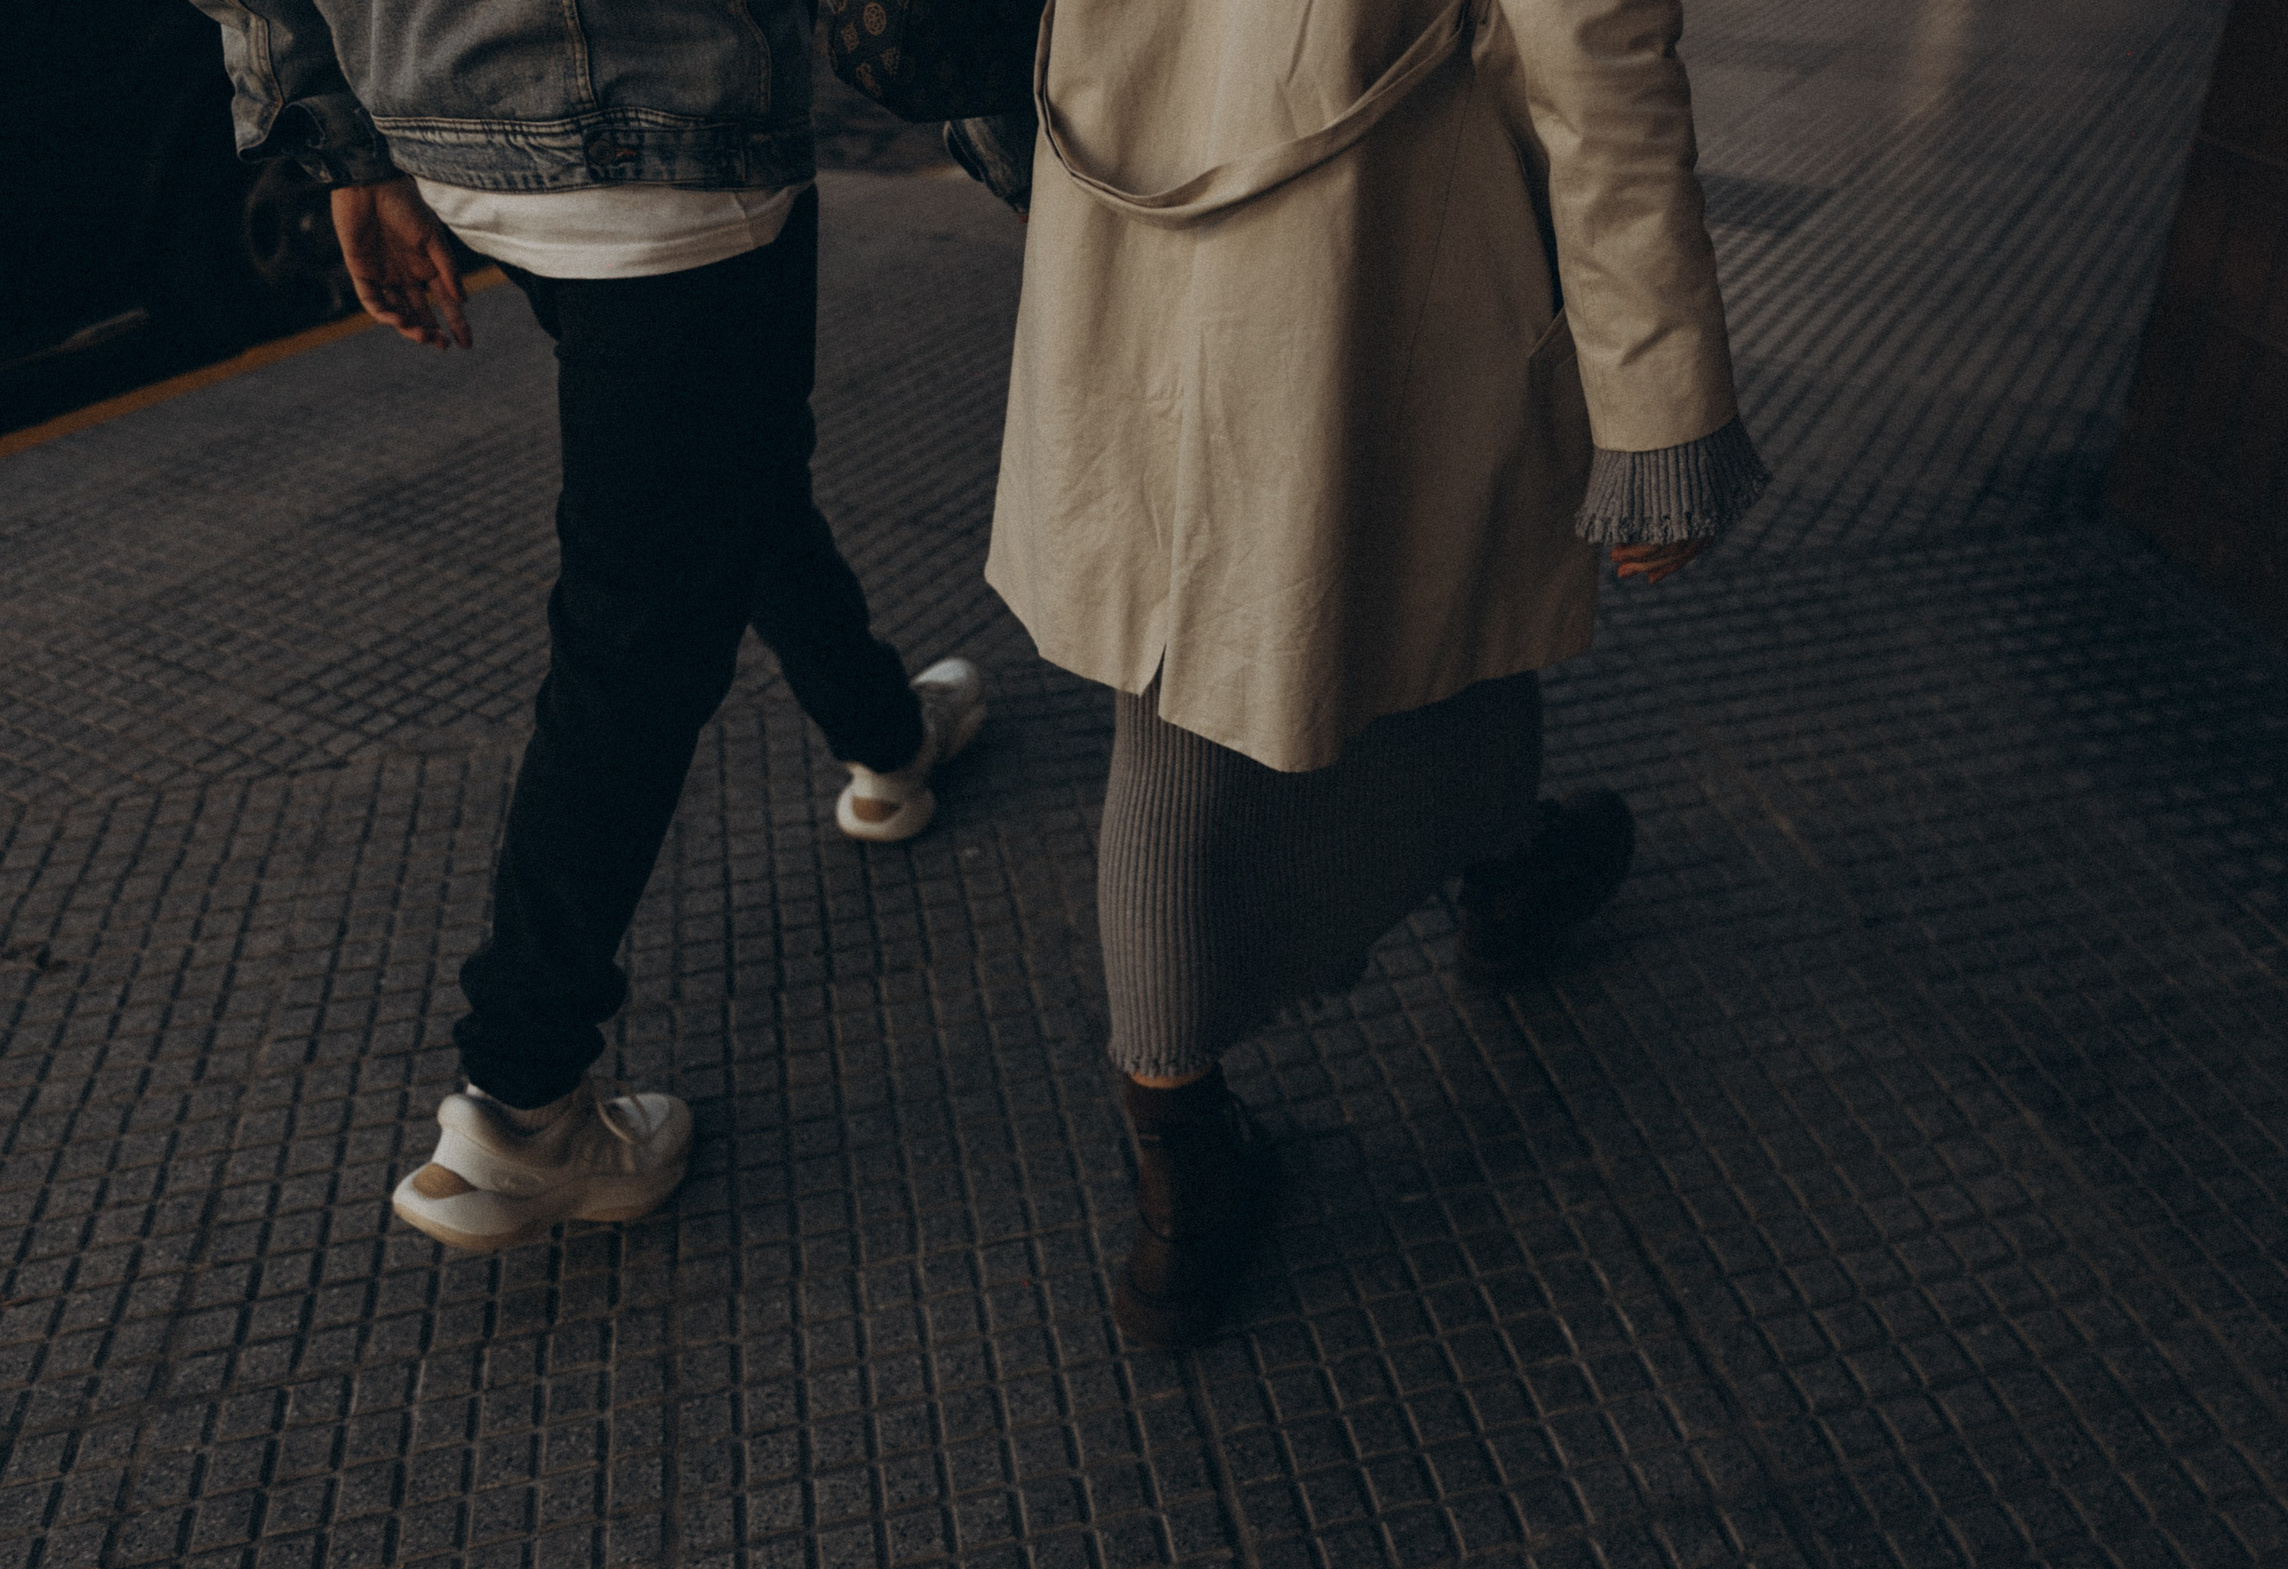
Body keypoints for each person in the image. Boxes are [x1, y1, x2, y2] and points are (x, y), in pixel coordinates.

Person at [979, 0, 1768, 1346]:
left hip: (1135, 169)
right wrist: (1664, 400)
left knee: (1404, 589)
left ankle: (1497, 854)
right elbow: (1593, 47)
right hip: (1377, 223)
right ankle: (1179, 1154)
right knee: (1208, 694)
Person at [191, 0, 988, 1251]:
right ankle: (522, 1100)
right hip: (673, 135)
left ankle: (888, 737)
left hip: (451, 125)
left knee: (727, 471)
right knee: (642, 619)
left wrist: (347, 150)